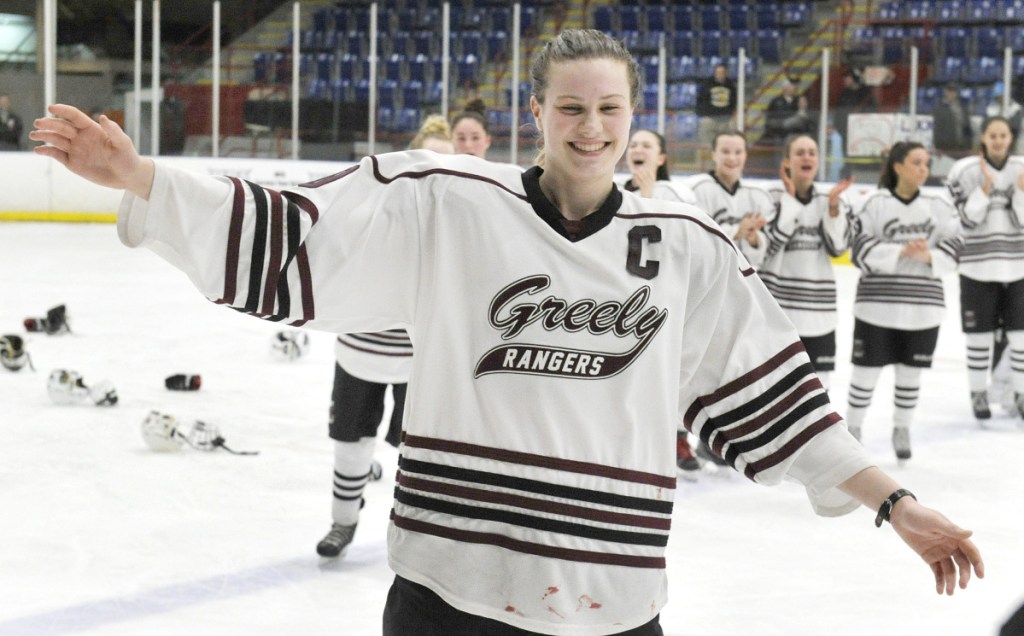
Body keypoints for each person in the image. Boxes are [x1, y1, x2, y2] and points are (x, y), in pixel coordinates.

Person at [32, 28, 983, 636]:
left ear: (633, 119)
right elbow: (303, 231)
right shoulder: (449, 201)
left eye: (609, 109)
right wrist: (148, 182)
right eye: (570, 107)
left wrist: (896, 504)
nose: (591, 125)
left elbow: (774, 401)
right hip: (450, 591)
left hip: (613, 602)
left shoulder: (686, 247)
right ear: (537, 113)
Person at [316, 114, 454, 558]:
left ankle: (416, 532)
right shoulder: (378, 210)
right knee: (351, 441)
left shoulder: (463, 222)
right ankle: (343, 521)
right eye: (430, 157)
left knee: (418, 452)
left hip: (421, 362)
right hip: (360, 353)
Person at [845, 141, 964, 460]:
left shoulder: (939, 206)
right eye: (916, 162)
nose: (923, 169)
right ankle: (852, 428)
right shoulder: (874, 203)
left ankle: (902, 427)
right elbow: (858, 249)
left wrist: (928, 256)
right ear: (898, 166)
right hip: (876, 308)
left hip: (923, 310)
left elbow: (955, 251)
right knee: (865, 373)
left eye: (926, 163)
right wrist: (899, 251)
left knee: (910, 374)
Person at [622, 128, 700, 476]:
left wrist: (650, 196)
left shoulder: (678, 193)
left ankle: (679, 438)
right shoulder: (616, 192)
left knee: (672, 376)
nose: (637, 149)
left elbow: (686, 247)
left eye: (646, 145)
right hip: (627, 303)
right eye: (633, 144)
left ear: (662, 158)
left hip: (668, 302)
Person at [944, 116, 1024, 420]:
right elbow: (965, 221)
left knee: (1021, 338)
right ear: (984, 138)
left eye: (1003, 135)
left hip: (1017, 267)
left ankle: (1021, 394)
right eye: (993, 135)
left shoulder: (1021, 169)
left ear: (1010, 137)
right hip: (977, 267)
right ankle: (978, 394)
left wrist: (1020, 193)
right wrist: (985, 192)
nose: (999, 140)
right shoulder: (963, 171)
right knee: (978, 338)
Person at [761, 134, 854, 391]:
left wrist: (834, 211)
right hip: (778, 312)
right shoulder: (770, 198)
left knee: (819, 391)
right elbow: (767, 248)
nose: (807, 157)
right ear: (787, 161)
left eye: (812, 152)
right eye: (800, 152)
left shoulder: (830, 200)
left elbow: (838, 249)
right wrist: (790, 203)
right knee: (775, 389)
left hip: (819, 314)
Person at [684, 130, 772, 269]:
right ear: (713, 154)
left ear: (745, 155)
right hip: (708, 278)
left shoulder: (758, 195)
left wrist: (753, 239)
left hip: (745, 281)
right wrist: (737, 231)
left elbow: (761, 257)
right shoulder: (696, 189)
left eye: (738, 152)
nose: (732, 158)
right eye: (725, 152)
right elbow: (696, 239)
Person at [695, 63, 737, 163]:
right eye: (718, 72)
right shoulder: (707, 84)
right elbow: (700, 100)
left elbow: (734, 101)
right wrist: (704, 113)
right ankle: (704, 164)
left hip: (725, 119)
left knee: (728, 141)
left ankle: (726, 162)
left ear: (725, 73)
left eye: (722, 72)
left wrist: (730, 113)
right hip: (710, 118)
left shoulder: (730, 85)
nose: (720, 74)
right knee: (706, 144)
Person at [834, 69, 876, 162]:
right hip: (846, 131)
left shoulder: (866, 94)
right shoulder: (844, 94)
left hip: (862, 132)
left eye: (847, 78)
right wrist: (838, 126)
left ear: (854, 79)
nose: (845, 80)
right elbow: (839, 112)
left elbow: (872, 112)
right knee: (846, 153)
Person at [932, 84, 973, 157]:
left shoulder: (963, 109)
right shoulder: (940, 109)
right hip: (946, 148)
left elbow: (967, 127)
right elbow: (937, 128)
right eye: (949, 92)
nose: (951, 94)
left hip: (962, 148)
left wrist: (969, 144)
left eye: (953, 92)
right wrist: (938, 146)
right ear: (946, 93)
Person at [984, 83, 1023, 153]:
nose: (999, 99)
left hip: (1014, 142)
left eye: (1001, 96)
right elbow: (987, 126)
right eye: (997, 97)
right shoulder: (992, 108)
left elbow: (1015, 128)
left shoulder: (1016, 108)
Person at [762, 78, 800, 146]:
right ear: (785, 88)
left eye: (794, 87)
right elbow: (769, 115)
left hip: (793, 131)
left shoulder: (798, 101)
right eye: (791, 86)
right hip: (779, 131)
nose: (793, 89)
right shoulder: (776, 101)